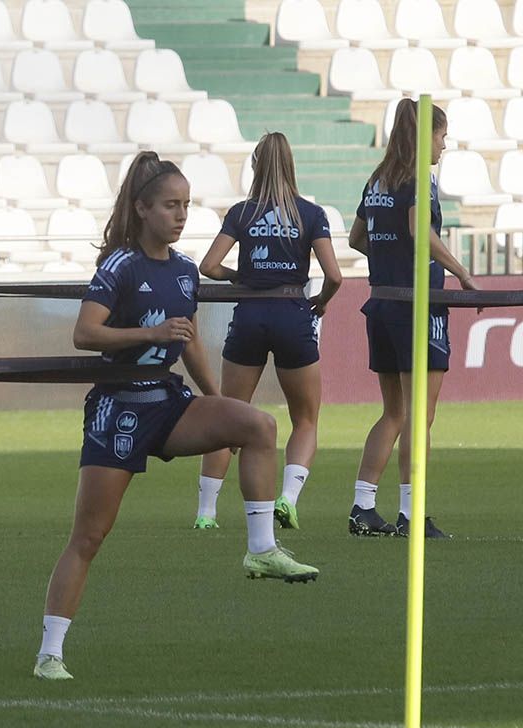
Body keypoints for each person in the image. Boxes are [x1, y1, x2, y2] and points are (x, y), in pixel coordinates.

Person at [33, 152, 319, 682]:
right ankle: (50, 651)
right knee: (89, 537)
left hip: (166, 403)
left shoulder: (187, 270)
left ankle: (261, 549)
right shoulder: (120, 265)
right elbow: (85, 334)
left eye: (186, 205)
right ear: (142, 209)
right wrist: (151, 334)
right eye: (170, 205)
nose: (181, 214)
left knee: (256, 426)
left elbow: (186, 342)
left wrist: (219, 404)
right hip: (118, 409)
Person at [192, 133, 343, 531]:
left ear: (255, 166)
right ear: (292, 165)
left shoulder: (242, 213)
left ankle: (206, 513)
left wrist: (243, 278)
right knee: (306, 419)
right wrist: (322, 300)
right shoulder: (311, 214)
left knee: (228, 415)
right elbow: (334, 275)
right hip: (293, 315)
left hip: (250, 315)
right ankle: (288, 499)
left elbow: (208, 265)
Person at [346, 100, 478, 539]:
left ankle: (363, 506)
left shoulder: (377, 178)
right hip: (417, 306)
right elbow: (421, 232)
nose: (445, 143)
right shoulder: (420, 179)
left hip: (381, 302)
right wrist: (461, 272)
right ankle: (411, 515)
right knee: (420, 415)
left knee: (395, 412)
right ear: (426, 136)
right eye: (442, 135)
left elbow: (357, 237)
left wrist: (389, 260)